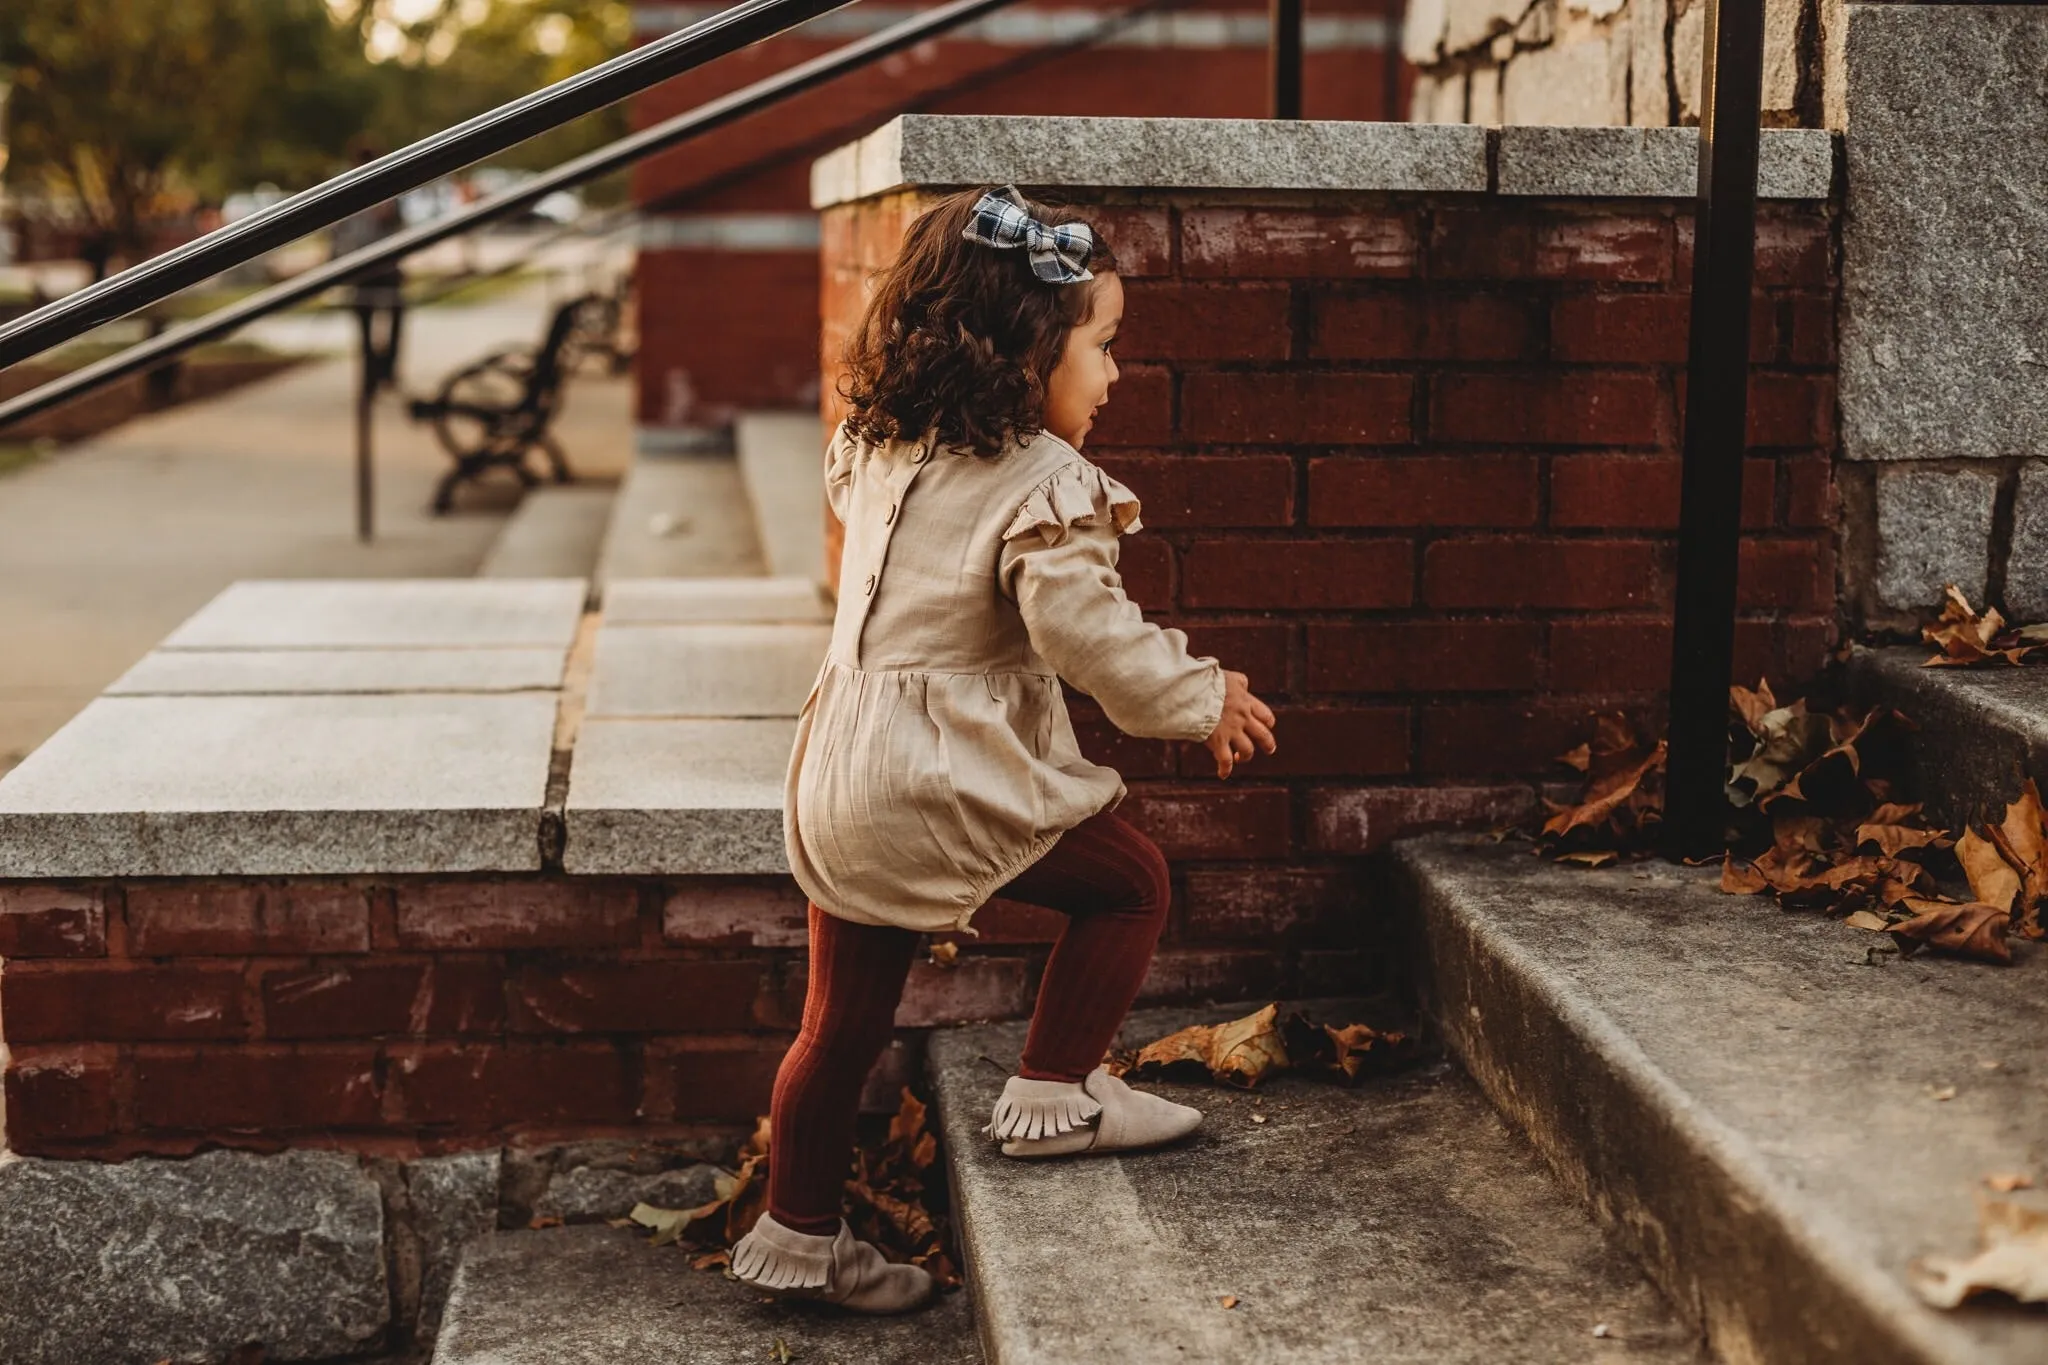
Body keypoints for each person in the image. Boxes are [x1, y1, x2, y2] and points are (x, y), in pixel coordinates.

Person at [727, 185, 1278, 1313]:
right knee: (1128, 884)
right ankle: (1056, 1091)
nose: (1116, 376)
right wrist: (1200, 693)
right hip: (939, 772)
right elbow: (1092, 639)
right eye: (1105, 347)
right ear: (1032, 352)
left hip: (839, 770)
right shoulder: (1043, 489)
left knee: (836, 1025)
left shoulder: (877, 442)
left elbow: (872, 519)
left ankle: (795, 1236)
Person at [330, 142, 407, 392]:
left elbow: (395, 222)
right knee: (367, 321)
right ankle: (374, 373)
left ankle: (383, 370)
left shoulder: (387, 187)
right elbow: (339, 230)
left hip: (380, 263)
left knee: (392, 314)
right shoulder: (347, 189)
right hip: (366, 263)